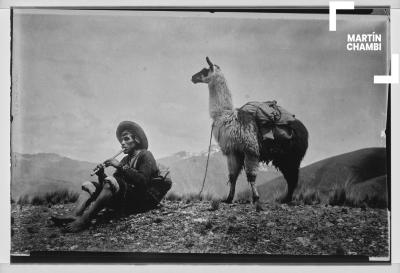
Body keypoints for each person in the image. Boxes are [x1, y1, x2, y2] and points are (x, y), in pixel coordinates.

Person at [52, 121, 171, 232]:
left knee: (112, 182)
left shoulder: (146, 155)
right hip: (126, 199)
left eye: (126, 139)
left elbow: (143, 181)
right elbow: (111, 186)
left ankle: (85, 220)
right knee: (90, 185)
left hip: (141, 201)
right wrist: (101, 174)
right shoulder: (125, 159)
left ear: (137, 140)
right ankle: (75, 213)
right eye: (121, 141)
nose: (122, 143)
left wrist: (120, 166)